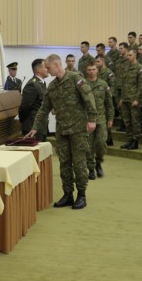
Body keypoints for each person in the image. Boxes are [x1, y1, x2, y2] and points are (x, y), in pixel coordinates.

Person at [26, 54, 96, 210]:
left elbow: (88, 98)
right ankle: (68, 194)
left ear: (57, 65)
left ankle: (82, 195)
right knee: (64, 163)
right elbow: (44, 108)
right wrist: (35, 127)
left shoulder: (75, 79)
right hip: (62, 130)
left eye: (48, 67)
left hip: (78, 129)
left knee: (79, 163)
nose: (47, 70)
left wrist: (92, 119)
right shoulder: (52, 86)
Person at [84, 63, 114, 179]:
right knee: (88, 145)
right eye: (89, 70)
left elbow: (109, 104)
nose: (92, 72)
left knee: (101, 143)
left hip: (101, 119)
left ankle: (98, 163)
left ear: (97, 71)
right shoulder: (83, 84)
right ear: (87, 71)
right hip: (87, 120)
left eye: (94, 69)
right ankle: (91, 168)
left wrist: (110, 118)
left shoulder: (103, 84)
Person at [116, 49, 142, 150]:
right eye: (127, 55)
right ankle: (129, 139)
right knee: (127, 121)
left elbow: (141, 86)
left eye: (129, 55)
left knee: (135, 121)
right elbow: (124, 85)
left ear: (135, 56)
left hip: (134, 99)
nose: (127, 57)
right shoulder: (126, 67)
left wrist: (137, 99)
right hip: (125, 99)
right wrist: (121, 98)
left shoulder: (140, 68)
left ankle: (135, 141)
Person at [19, 58, 48, 141]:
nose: (48, 69)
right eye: (45, 67)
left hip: (41, 126)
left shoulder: (42, 83)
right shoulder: (32, 84)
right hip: (32, 126)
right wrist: (24, 121)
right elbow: (25, 107)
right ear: (38, 69)